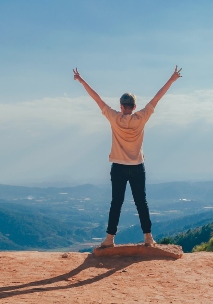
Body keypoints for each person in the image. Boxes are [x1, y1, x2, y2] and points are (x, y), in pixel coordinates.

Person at [73, 66, 182, 247]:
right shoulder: (141, 117)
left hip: (118, 166)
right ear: (135, 107)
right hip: (137, 166)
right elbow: (157, 98)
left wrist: (82, 80)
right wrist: (172, 79)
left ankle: (110, 238)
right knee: (141, 202)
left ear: (121, 106)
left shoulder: (114, 118)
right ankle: (148, 237)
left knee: (116, 202)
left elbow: (97, 99)